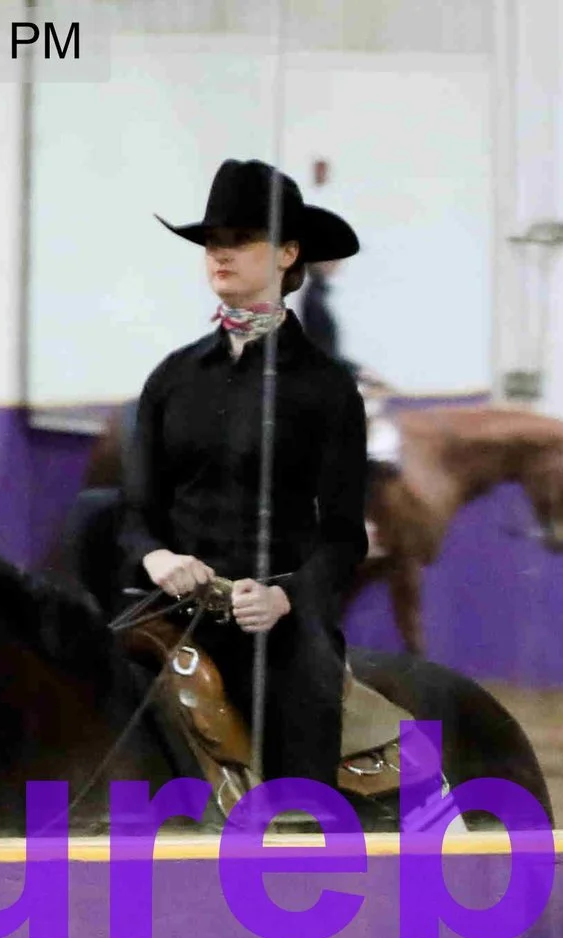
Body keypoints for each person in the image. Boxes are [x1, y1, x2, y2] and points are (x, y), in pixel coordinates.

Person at [117, 158, 366, 791]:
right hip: (169, 605)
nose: (220, 254)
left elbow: (344, 538)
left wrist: (286, 598)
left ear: (287, 253)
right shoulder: (171, 379)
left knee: (305, 697)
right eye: (212, 242)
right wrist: (157, 557)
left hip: (276, 622)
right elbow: (135, 512)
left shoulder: (327, 389)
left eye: (241, 240)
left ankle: (302, 825)